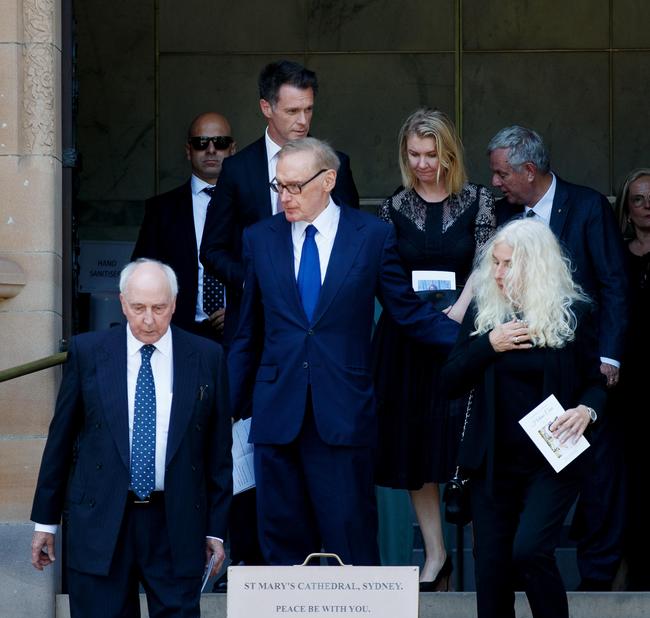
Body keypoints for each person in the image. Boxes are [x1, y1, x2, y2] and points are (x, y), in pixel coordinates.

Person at [30, 260, 232, 618]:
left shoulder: (206, 357)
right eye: (138, 307)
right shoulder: (90, 352)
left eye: (159, 308)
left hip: (176, 522)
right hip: (102, 519)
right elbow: (60, 437)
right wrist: (45, 521)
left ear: (174, 302)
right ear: (122, 303)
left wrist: (217, 530)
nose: (148, 319)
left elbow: (218, 453)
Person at [228, 137, 459, 567]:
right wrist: (229, 405)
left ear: (328, 180)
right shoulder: (260, 238)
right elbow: (248, 330)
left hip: (344, 410)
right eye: (279, 186)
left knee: (349, 536)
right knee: (281, 541)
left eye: (295, 186)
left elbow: (407, 314)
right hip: (277, 412)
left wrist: (477, 343)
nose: (285, 197)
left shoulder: (370, 236)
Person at [442, 220, 606, 618]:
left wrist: (587, 412)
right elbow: (448, 379)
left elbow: (596, 384)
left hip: (553, 461)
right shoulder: (486, 316)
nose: (498, 271)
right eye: (495, 261)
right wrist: (488, 343)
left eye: (508, 262)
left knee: (530, 549)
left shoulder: (572, 314)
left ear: (534, 264)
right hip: (493, 466)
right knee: (491, 576)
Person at [487, 125, 628, 590]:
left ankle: (597, 577)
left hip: (582, 369)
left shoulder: (586, 207)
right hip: (525, 375)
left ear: (529, 170)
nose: (496, 183)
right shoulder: (503, 214)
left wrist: (609, 357)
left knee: (599, 472)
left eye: (502, 173)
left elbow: (612, 284)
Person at [372, 108, 495, 590]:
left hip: (464, 331)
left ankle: (487, 554)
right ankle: (436, 553)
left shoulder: (479, 200)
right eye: (414, 154)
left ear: (449, 153)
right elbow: (388, 276)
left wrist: (461, 311)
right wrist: (421, 320)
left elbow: (488, 264)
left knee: (468, 444)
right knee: (415, 449)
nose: (423, 164)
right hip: (406, 340)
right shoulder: (393, 207)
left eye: (432, 154)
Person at [200, 59, 359, 339]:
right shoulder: (238, 169)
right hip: (254, 325)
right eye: (292, 111)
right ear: (266, 108)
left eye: (308, 109)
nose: (303, 121)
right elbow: (212, 249)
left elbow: (352, 241)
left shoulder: (336, 166)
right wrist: (252, 281)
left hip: (319, 321)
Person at [132, 112, 236, 344]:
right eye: (201, 143)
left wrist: (238, 311)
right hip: (179, 334)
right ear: (189, 150)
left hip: (239, 335)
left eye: (220, 143)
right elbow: (142, 274)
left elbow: (265, 271)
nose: (211, 150)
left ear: (232, 149)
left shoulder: (250, 205)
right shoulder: (162, 210)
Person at [615, 168, 650, 589]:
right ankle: (627, 570)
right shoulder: (618, 254)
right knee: (629, 481)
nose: (647, 207)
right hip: (626, 384)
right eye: (639, 199)